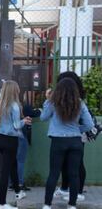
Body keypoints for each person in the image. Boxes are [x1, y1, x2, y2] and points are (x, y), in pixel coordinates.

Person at [41, 78, 94, 209]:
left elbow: (43, 117)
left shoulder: (53, 103)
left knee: (54, 173)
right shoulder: (80, 103)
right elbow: (89, 124)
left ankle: (47, 205)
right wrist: (77, 130)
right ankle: (72, 205)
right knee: (74, 174)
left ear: (58, 89)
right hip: (75, 141)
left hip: (58, 141)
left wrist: (48, 99)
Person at [0, 80, 31, 209]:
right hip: (10, 139)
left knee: (12, 164)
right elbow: (15, 125)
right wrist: (24, 121)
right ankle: (2, 203)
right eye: (18, 89)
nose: (19, 91)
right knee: (6, 169)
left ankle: (18, 192)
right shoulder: (14, 106)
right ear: (14, 90)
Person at [53, 71, 88, 202]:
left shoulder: (78, 99)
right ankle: (65, 188)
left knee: (78, 163)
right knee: (66, 162)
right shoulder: (66, 97)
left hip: (77, 133)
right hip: (71, 134)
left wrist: (79, 131)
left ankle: (78, 191)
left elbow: (86, 121)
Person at [12, 92, 41, 191]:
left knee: (13, 160)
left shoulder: (9, 106)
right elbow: (36, 114)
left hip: (11, 136)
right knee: (20, 161)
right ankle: (19, 183)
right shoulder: (23, 106)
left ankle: (11, 183)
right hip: (21, 135)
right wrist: (40, 110)